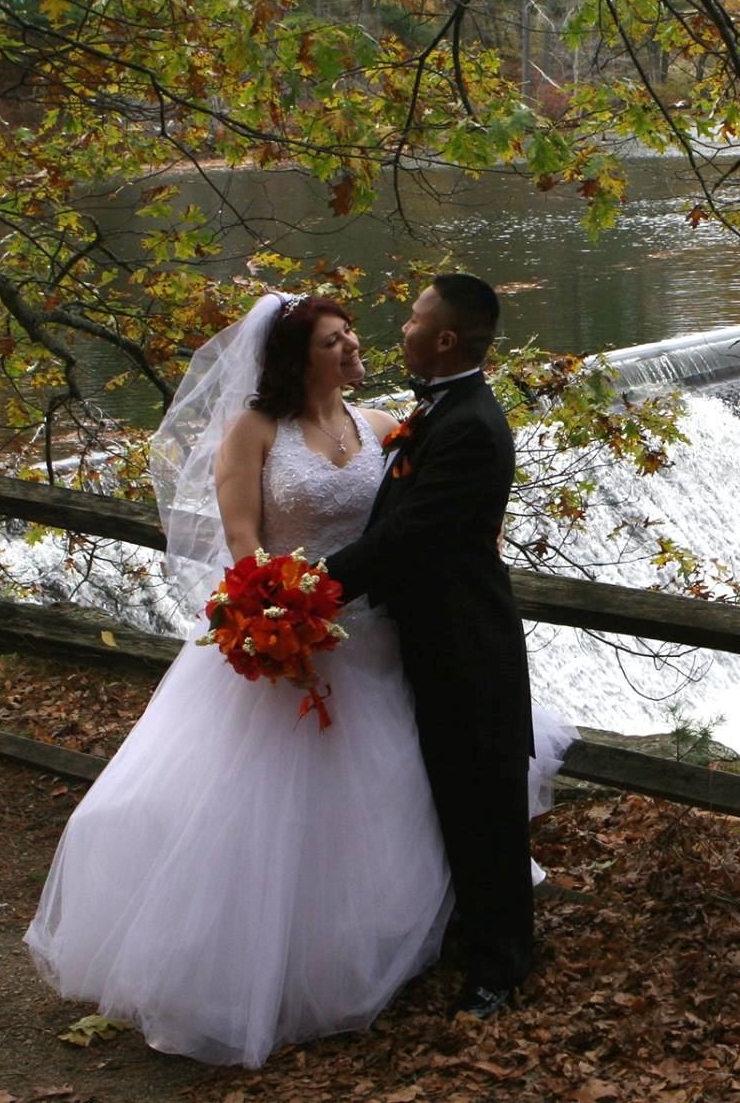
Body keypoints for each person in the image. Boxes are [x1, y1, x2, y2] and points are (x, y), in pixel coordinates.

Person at [24, 291, 572, 1067]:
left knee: (406, 790)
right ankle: (289, 956)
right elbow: (242, 538)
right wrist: (271, 609)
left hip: (379, 639)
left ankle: (442, 942)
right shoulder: (255, 431)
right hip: (299, 636)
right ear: (294, 356)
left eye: (359, 334)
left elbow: (427, 524)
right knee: (290, 807)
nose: (360, 344)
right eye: (334, 339)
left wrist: (317, 594)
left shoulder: (386, 424)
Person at [324, 273, 538, 1021]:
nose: (403, 325)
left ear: (444, 338)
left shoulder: (472, 427)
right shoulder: (437, 410)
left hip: (468, 645)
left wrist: (313, 585)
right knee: (447, 797)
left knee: (486, 806)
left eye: (414, 317)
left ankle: (501, 970)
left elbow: (409, 538)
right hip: (428, 639)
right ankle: (464, 935)